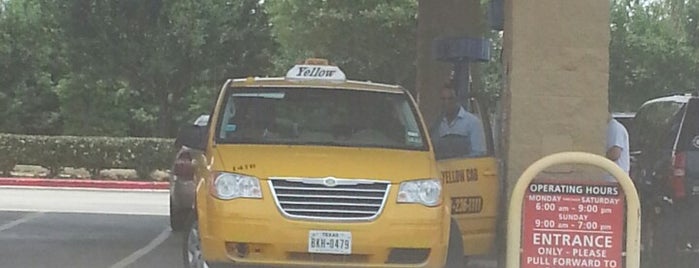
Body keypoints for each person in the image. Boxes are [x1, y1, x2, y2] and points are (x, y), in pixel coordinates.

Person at [431, 84, 486, 159]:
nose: (446, 102)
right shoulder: (437, 124)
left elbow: (478, 154)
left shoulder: (472, 123)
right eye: (443, 99)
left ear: (457, 99)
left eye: (450, 99)